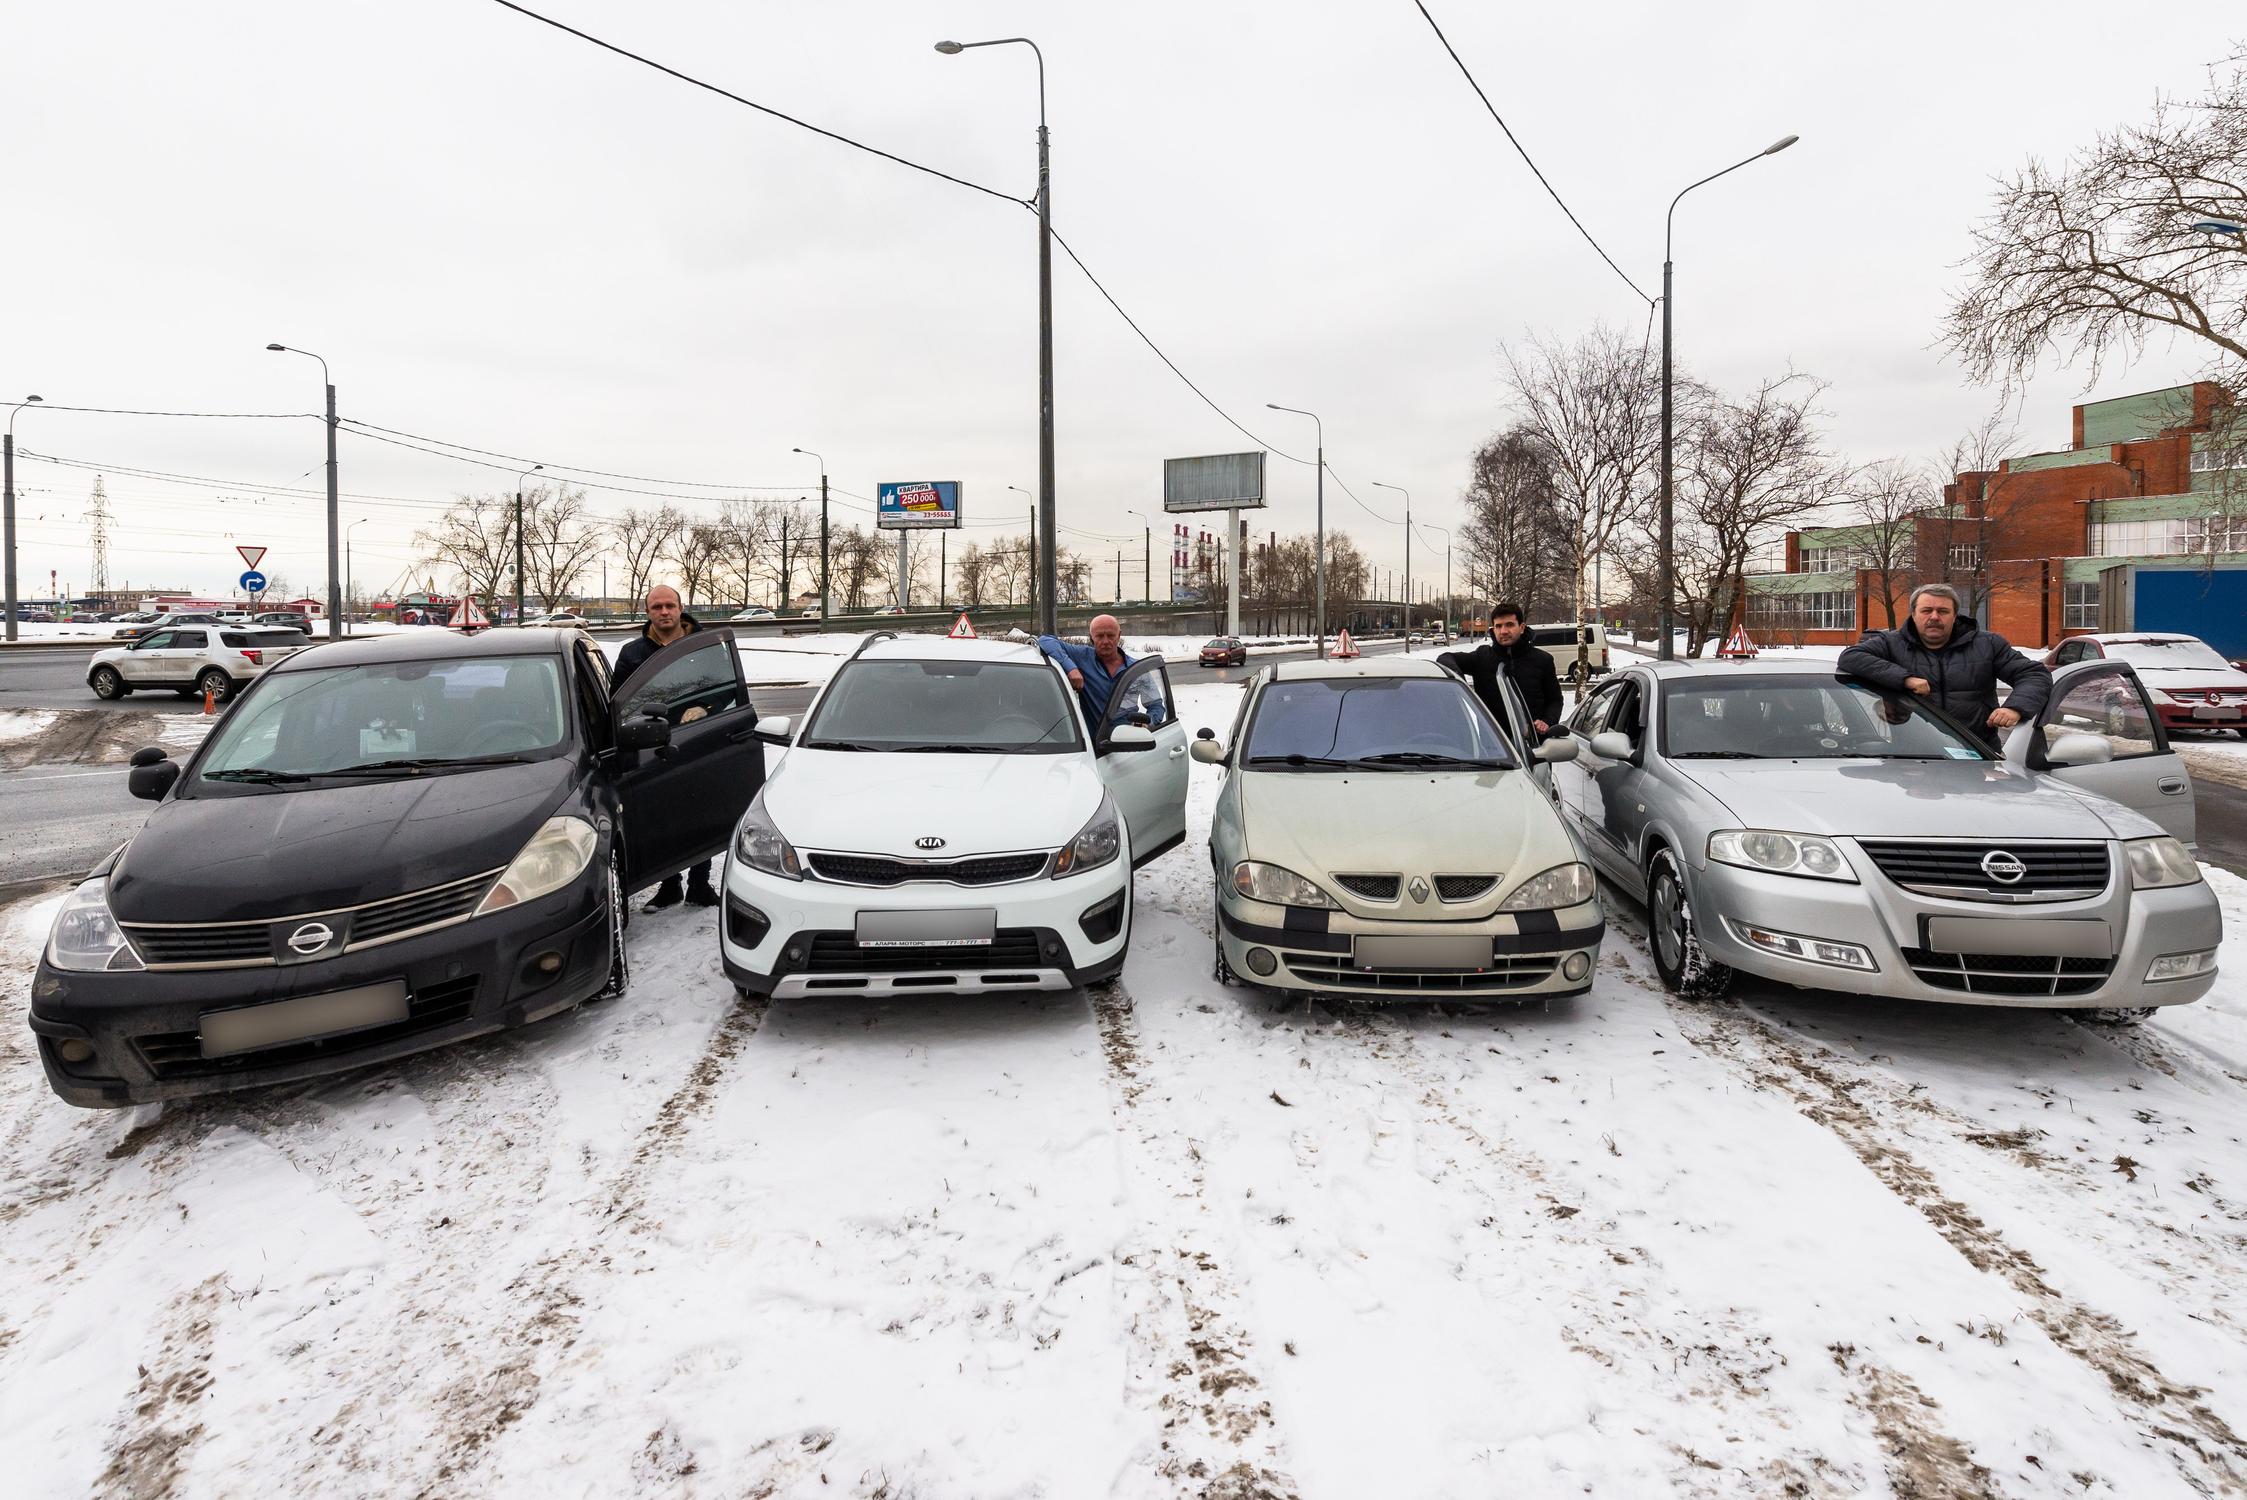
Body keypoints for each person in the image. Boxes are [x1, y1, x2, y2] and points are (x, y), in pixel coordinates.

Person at [611, 584, 720, 910]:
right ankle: (669, 884)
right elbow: (618, 701)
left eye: (669, 605)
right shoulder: (632, 653)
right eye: (656, 607)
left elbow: (721, 687)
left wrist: (705, 707)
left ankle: (700, 885)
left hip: (697, 738)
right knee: (662, 814)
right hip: (651, 744)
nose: (664, 612)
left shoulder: (703, 646)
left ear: (680, 607)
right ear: (647, 612)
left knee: (701, 812)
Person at [1836, 583, 2052, 748]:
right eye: (1926, 610)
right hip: (1913, 754)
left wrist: (2014, 708)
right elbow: (1851, 657)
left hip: (1978, 752)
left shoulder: (1987, 644)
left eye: (1943, 611)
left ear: (1955, 615)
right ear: (1913, 614)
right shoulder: (1891, 644)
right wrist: (1905, 679)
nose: (1934, 617)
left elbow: (2034, 674)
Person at [1437, 602, 1564, 737]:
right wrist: (1459, 680)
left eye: (1509, 625)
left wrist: (1547, 721)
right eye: (1498, 626)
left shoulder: (1542, 660)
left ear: (1521, 627)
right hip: (1493, 748)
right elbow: (1445, 658)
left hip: (1535, 746)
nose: (1503, 631)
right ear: (1493, 629)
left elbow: (1555, 700)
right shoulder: (1482, 657)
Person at [1037, 614, 1165, 729]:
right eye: (1099, 636)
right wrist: (1071, 668)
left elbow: (1156, 706)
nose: (1105, 641)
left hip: (1127, 742)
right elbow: (1046, 640)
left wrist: (1148, 724)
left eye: (1110, 636)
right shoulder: (1082, 657)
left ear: (1119, 635)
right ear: (1091, 637)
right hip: (1094, 747)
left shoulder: (1137, 670)